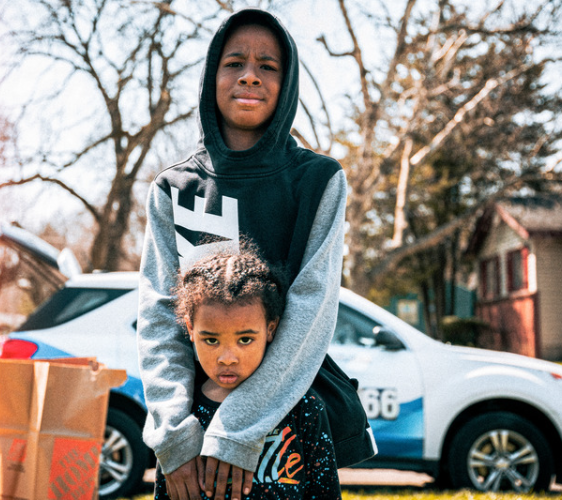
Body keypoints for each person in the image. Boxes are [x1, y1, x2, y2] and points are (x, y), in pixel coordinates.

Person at [137, 8, 376, 500]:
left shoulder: (319, 180)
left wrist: (240, 428)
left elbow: (312, 308)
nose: (250, 74)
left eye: (268, 65)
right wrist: (173, 434)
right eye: (235, 62)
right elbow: (160, 314)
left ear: (287, 84)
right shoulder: (173, 189)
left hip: (291, 414)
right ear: (211, 76)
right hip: (192, 430)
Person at [153, 248, 342, 500]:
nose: (227, 357)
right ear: (190, 328)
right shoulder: (180, 421)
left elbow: (325, 493)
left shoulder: (303, 407)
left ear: (270, 329)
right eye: (211, 340)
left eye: (245, 339)